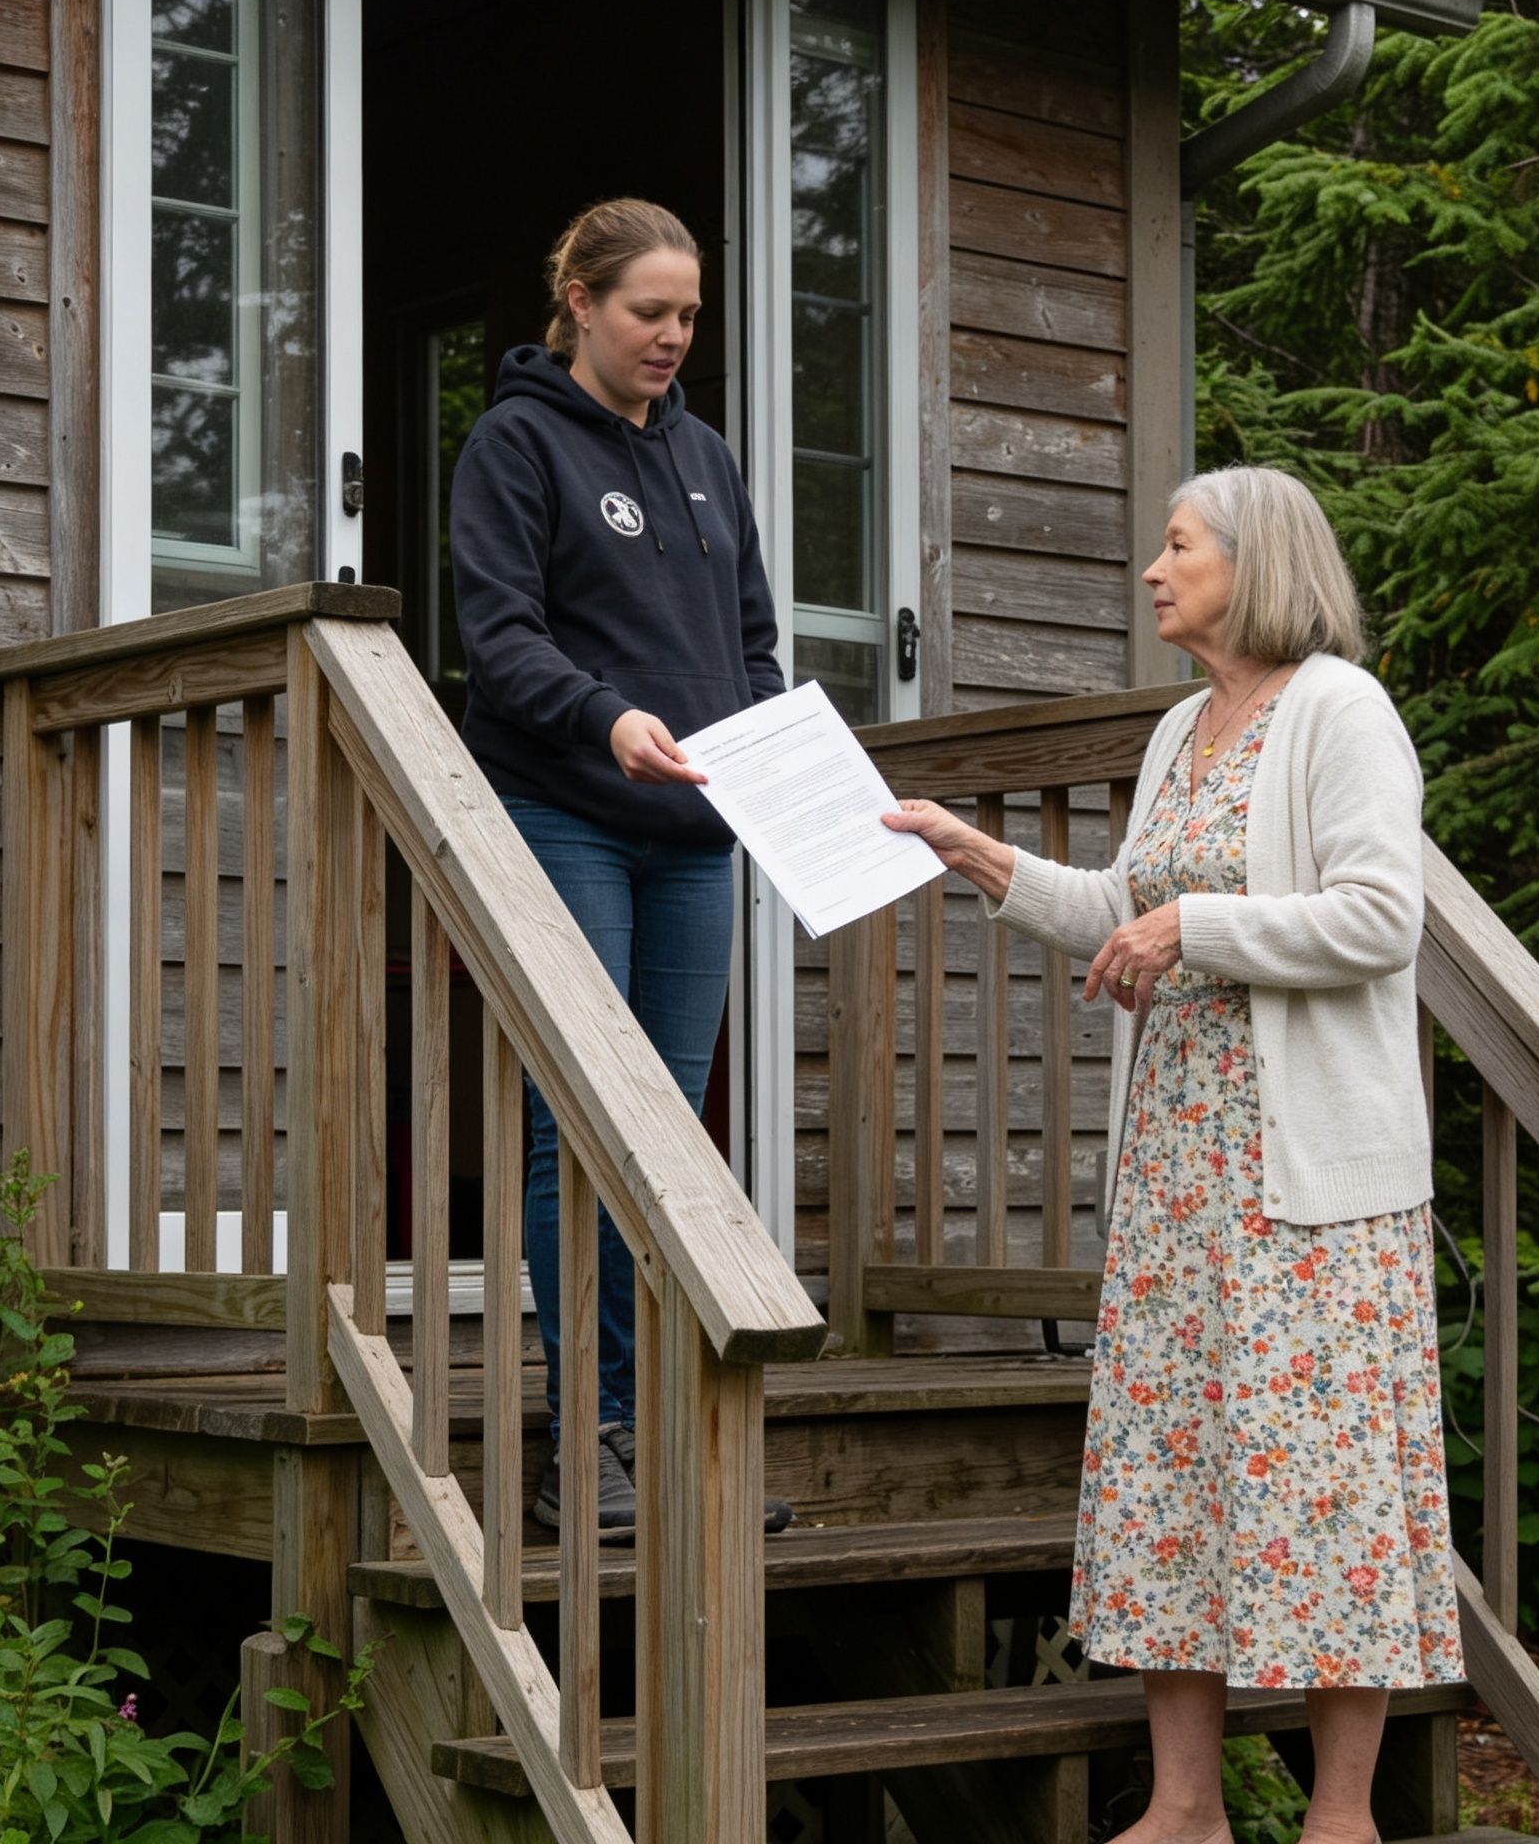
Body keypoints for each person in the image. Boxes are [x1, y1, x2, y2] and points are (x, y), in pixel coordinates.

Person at [884, 467, 1463, 1844]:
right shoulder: (1180, 730)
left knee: (1326, 1487)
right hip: (1178, 1179)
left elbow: (1380, 918)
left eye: (1178, 547)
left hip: (1305, 1184)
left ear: (1254, 563)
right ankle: (1187, 1807)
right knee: (1167, 1476)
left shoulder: (1338, 711)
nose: (1152, 569)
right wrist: (977, 854)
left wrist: (1190, 926)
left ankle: (1340, 1816)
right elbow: (1118, 911)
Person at [450, 198, 793, 1542]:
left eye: (688, 315)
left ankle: (666, 1432)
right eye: (648, 310)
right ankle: (584, 1438)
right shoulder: (514, 442)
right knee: (579, 1126)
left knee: (672, 1137)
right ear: (580, 302)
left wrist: (769, 746)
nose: (670, 335)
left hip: (696, 843)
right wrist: (607, 717)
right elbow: (500, 638)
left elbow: (753, 647)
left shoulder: (707, 457)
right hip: (567, 815)